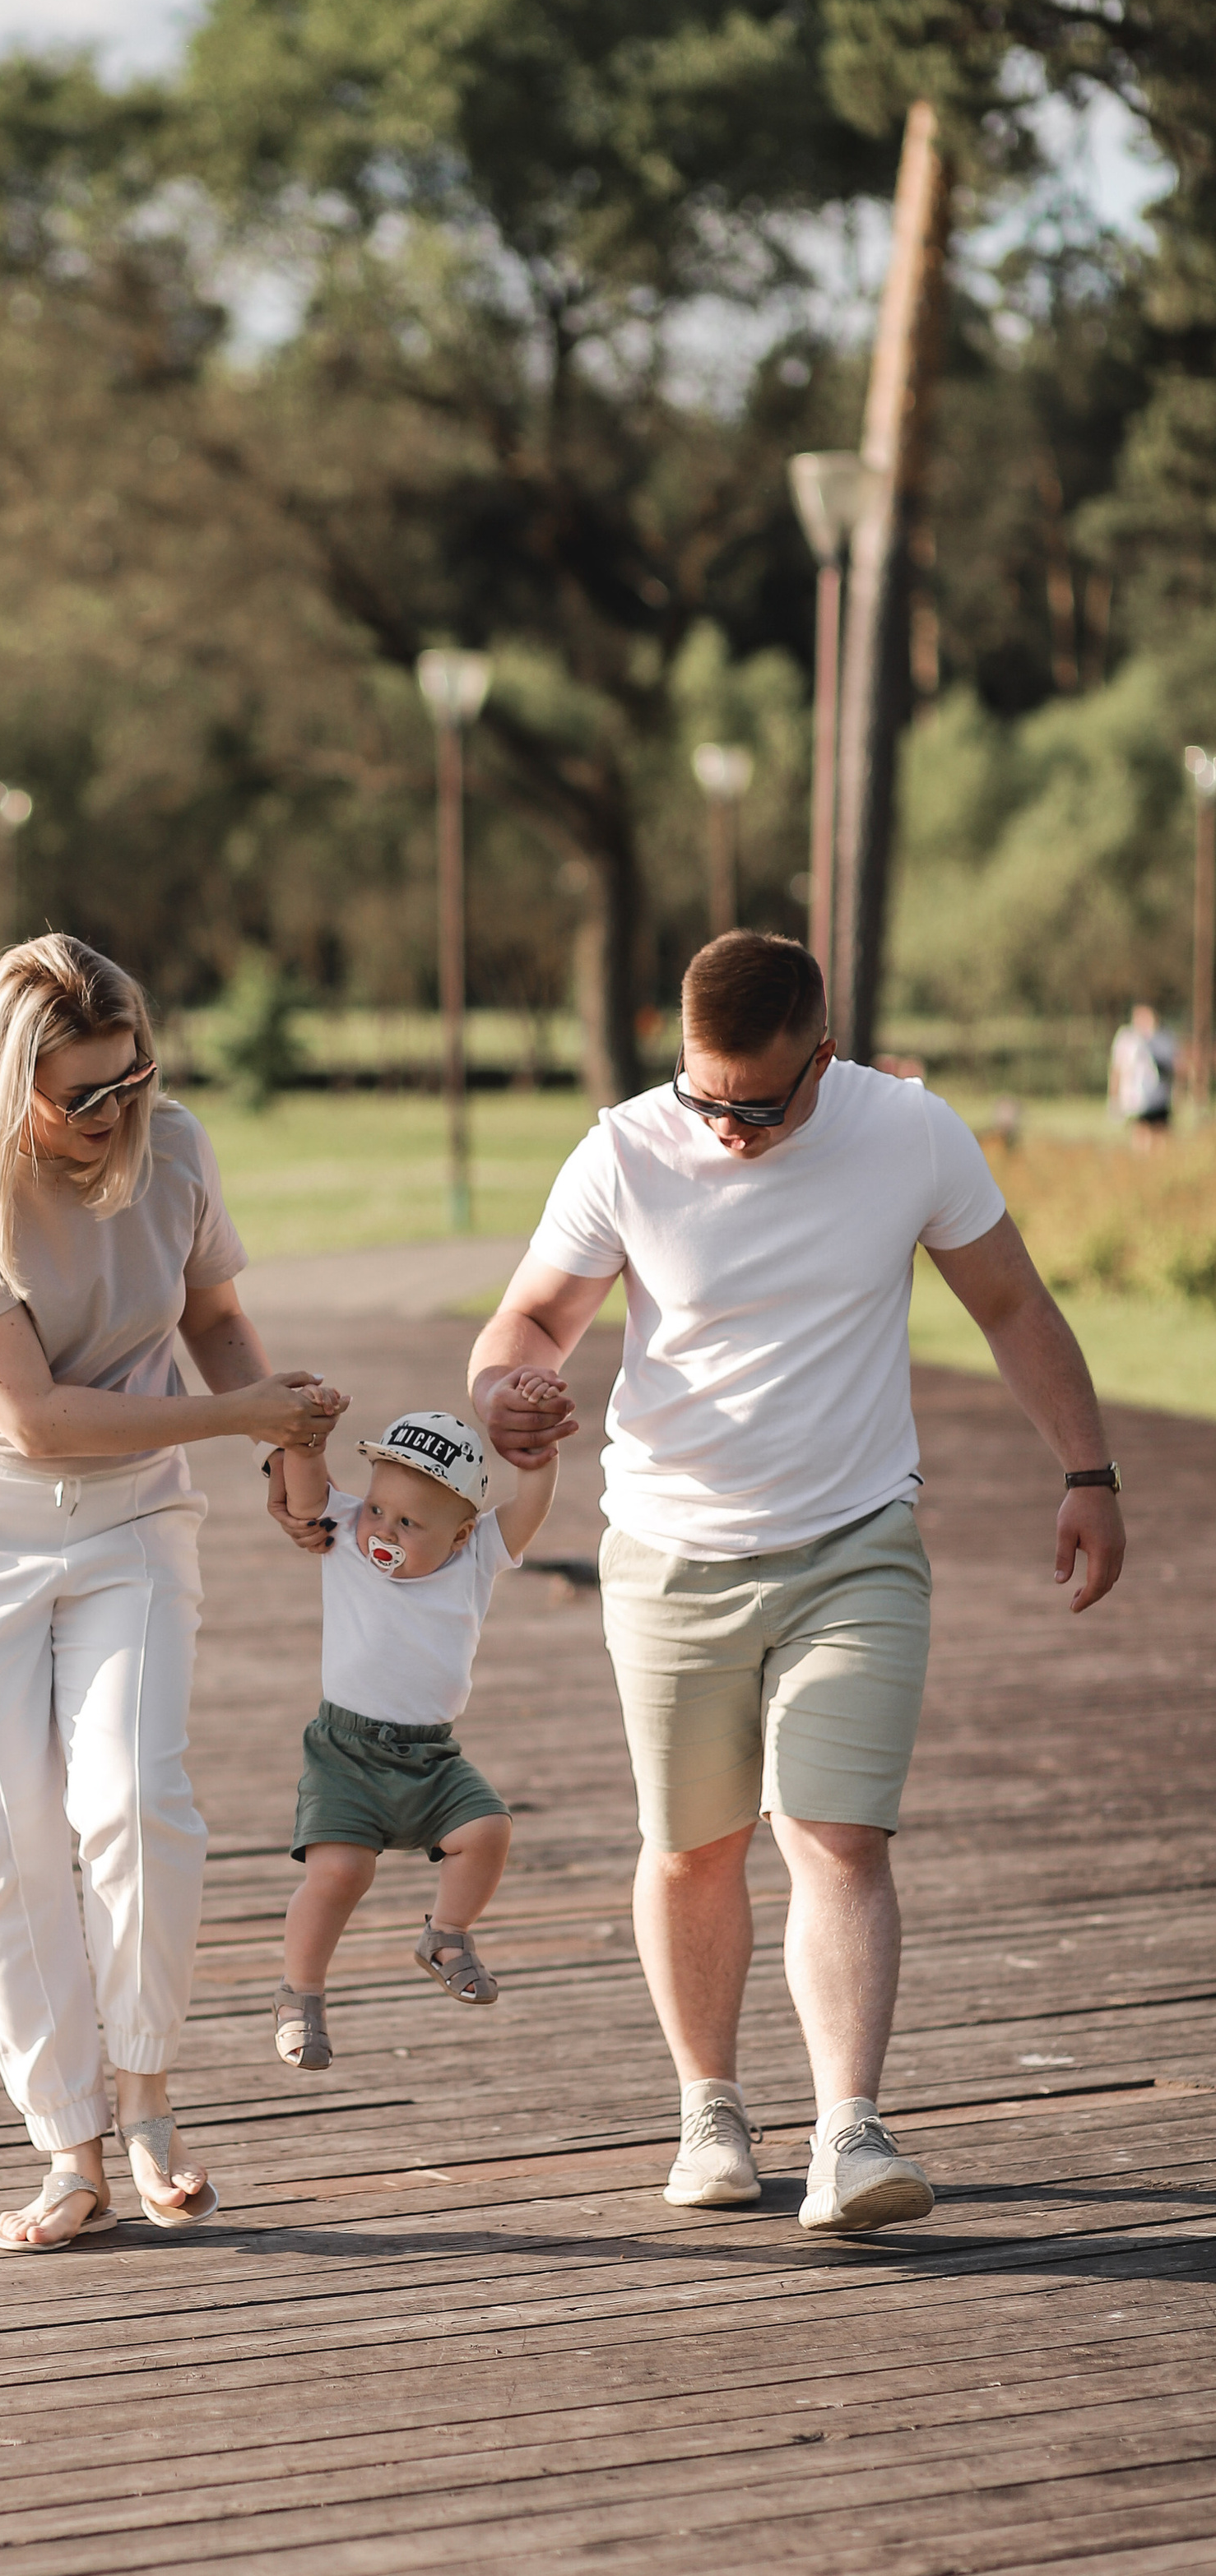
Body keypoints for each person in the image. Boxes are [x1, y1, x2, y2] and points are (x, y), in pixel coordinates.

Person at [466, 931, 1126, 2235]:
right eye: (704, 1096)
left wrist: (1089, 1472)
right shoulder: (626, 1149)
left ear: (823, 1058)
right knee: (692, 1848)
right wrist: (505, 1390)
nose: (727, 1130)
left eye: (760, 1107)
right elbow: (533, 1316)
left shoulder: (910, 1133)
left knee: (837, 1834)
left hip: (853, 1543)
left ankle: (850, 2133)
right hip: (669, 1551)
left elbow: (1010, 1304)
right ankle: (709, 2110)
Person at [0, 933, 345, 2252]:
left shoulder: (174, 1148)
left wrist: (288, 1445)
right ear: (5, 1086)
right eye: (81, 1093)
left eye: (132, 1077)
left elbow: (215, 1319)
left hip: (134, 1516)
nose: (115, 1110)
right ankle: (67, 2147)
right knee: (3, 1838)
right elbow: (33, 1420)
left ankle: (147, 2098)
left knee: (139, 1801)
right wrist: (241, 1417)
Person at [268, 1406, 561, 2073]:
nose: (383, 1529)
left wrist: (540, 1454)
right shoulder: (345, 1534)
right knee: (340, 1872)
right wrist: (305, 1440)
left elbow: (529, 1508)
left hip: (430, 1755)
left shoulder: (476, 1557)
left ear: (460, 1535)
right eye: (378, 1508)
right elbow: (307, 1496)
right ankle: (299, 1994)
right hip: (345, 1752)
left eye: (409, 1523)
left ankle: (446, 1935)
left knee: (487, 1829)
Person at [1109, 1003, 1177, 1154]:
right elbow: (1117, 1069)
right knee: (1141, 1134)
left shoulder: (1163, 1039)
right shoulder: (1127, 1039)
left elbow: (1173, 1068)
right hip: (1136, 1098)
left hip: (1159, 1098)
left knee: (1160, 1136)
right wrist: (1114, 1098)